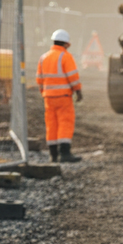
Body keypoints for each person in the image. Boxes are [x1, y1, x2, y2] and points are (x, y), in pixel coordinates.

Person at [36, 29, 83, 162]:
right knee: (65, 122)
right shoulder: (65, 56)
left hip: (48, 98)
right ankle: (65, 153)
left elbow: (39, 79)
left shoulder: (43, 57)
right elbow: (73, 77)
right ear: (67, 44)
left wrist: (44, 93)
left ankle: (53, 155)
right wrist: (78, 91)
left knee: (51, 124)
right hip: (63, 97)